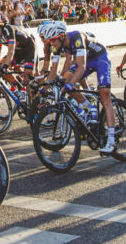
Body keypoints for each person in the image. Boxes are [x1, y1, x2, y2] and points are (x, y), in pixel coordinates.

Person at [39, 19, 117, 155]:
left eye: (53, 40)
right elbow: (53, 72)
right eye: (50, 41)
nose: (52, 43)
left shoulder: (76, 37)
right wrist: (42, 90)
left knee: (105, 95)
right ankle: (89, 106)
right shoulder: (56, 46)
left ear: (61, 36)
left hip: (100, 57)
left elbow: (82, 66)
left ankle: (111, 140)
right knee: (64, 82)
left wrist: (70, 85)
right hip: (85, 60)